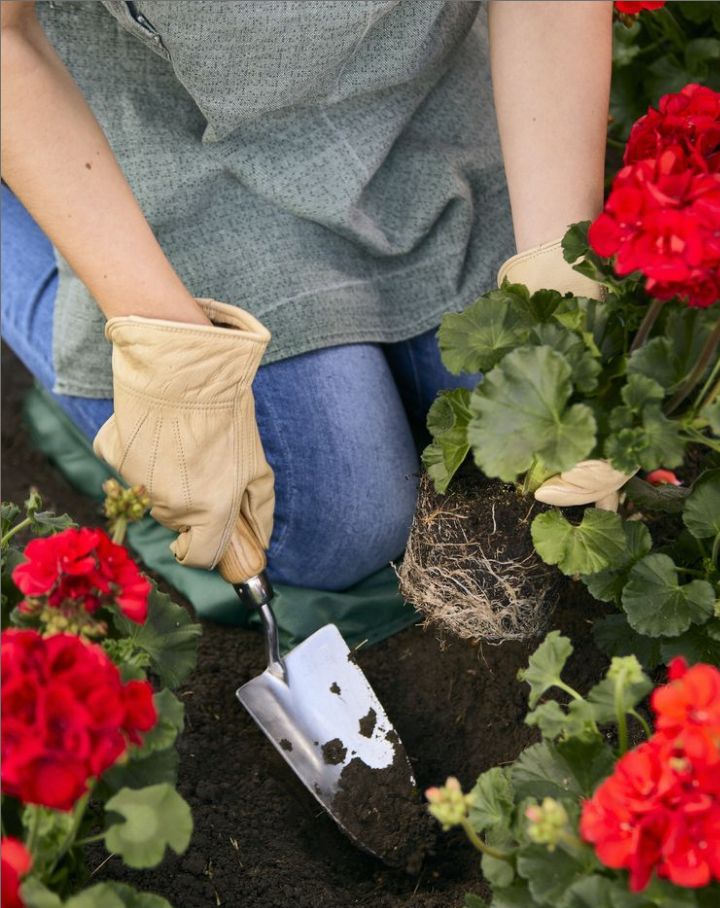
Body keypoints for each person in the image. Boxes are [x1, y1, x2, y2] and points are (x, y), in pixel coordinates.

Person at [1, 0, 610, 594]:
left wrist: (559, 286)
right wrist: (165, 350)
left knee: (509, 443)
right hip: (167, 147)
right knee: (336, 524)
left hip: (419, 111)